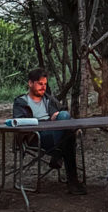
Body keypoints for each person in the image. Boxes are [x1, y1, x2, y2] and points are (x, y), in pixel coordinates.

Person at [12, 67, 86, 195]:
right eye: (40, 84)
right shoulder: (21, 102)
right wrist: (46, 122)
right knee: (68, 137)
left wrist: (56, 117)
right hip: (36, 137)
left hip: (55, 133)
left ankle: (58, 153)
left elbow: (65, 114)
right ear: (30, 83)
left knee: (64, 117)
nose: (43, 87)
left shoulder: (49, 99)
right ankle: (72, 181)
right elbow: (19, 122)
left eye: (45, 84)